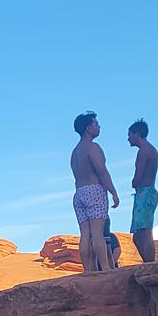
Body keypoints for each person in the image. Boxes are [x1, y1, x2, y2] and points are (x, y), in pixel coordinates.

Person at [70, 111, 120, 273]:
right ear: (88, 128)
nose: (99, 127)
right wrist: (113, 191)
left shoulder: (75, 152)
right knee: (98, 233)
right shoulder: (93, 147)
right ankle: (105, 267)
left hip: (79, 193)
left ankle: (87, 270)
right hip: (94, 190)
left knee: (85, 234)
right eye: (96, 124)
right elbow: (102, 171)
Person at [127, 120, 158, 262]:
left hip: (144, 193)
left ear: (136, 134)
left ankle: (150, 264)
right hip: (146, 193)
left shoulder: (144, 151)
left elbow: (138, 177)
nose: (128, 138)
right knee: (138, 235)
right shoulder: (152, 150)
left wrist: (134, 182)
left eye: (130, 135)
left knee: (144, 232)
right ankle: (147, 262)